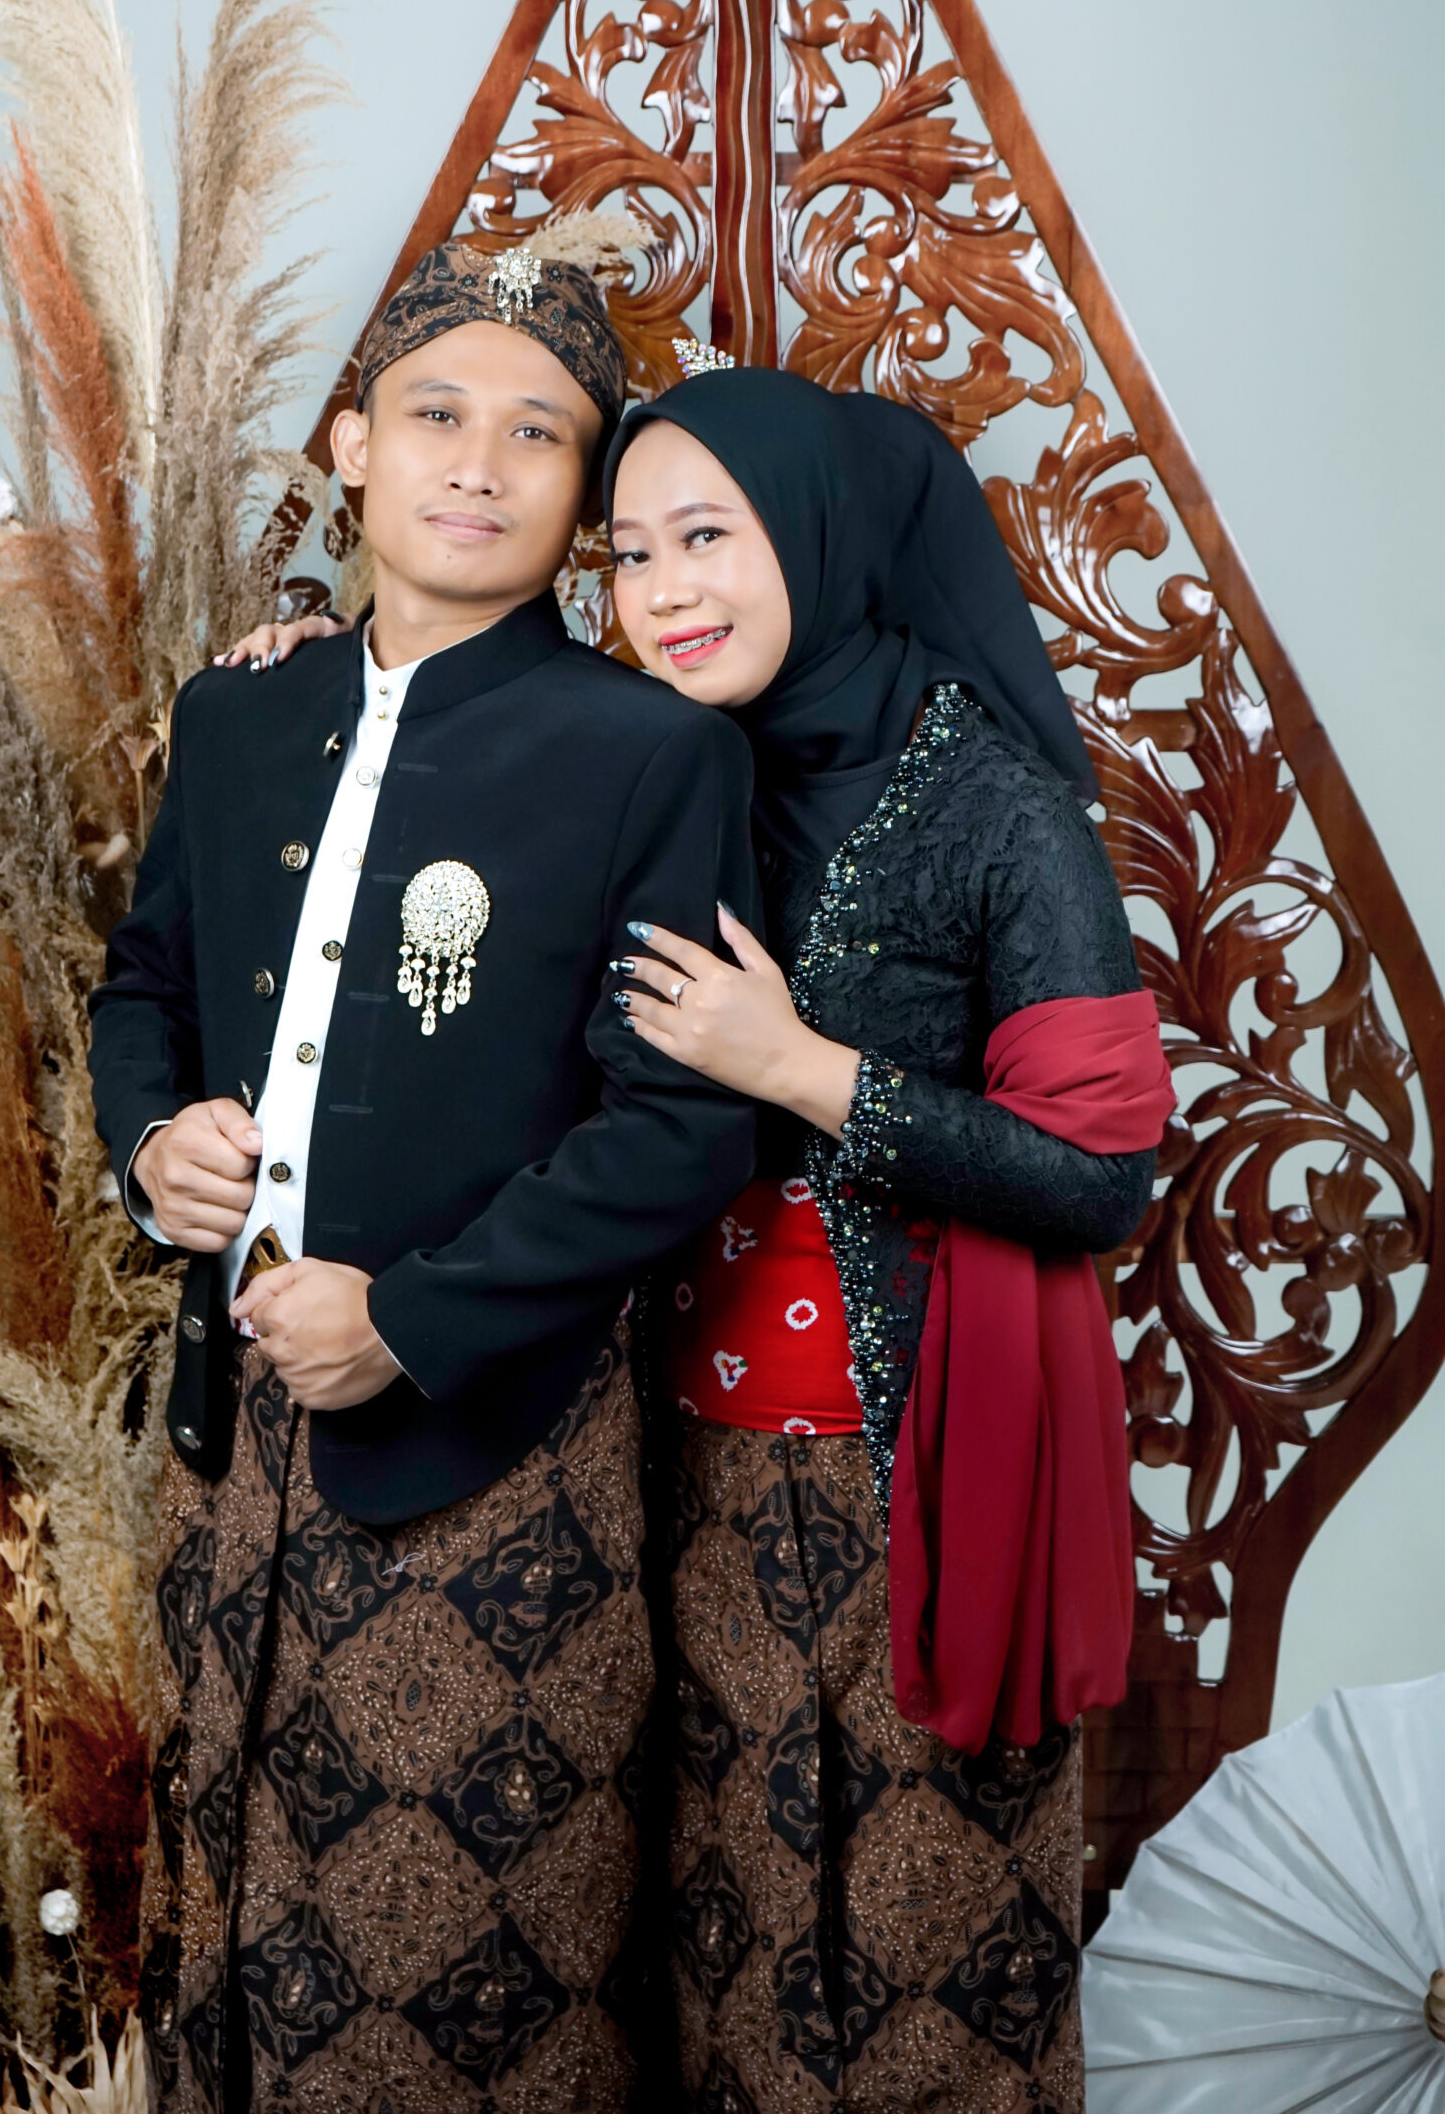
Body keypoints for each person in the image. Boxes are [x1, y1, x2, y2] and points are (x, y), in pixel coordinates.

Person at [232, 357, 1174, 2114]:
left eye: (708, 538)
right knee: (698, 1984)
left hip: (897, 1481)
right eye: (632, 554)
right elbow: (449, 752)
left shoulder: (993, 806)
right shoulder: (658, 762)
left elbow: (1099, 1173)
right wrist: (326, 672)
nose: (664, 591)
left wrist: (800, 1068)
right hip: (647, 1477)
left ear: (817, 536)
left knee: (899, 1990)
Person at [90, 243, 759, 2114]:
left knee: (456, 1992)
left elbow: (682, 1123)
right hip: (227, 1447)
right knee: (220, 1952)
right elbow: (145, 986)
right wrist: (152, 1147)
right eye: (438, 415)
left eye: (538, 434)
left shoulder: (651, 753)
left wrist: (410, 1318)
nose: (479, 463)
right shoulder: (240, 714)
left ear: (586, 492)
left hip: (498, 1457)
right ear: (352, 446)